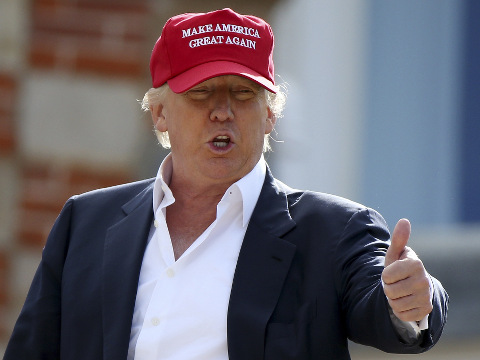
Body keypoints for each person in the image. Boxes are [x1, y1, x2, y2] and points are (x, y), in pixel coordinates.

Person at [4, 8, 448, 360]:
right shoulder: (86, 222)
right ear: (159, 113)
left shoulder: (332, 230)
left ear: (271, 114)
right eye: (200, 93)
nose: (222, 111)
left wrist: (409, 300)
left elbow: (384, 303)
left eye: (243, 94)